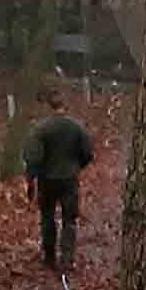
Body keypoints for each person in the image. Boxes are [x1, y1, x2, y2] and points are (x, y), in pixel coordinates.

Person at [23, 108, 94, 279]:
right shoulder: (77, 127)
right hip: (69, 179)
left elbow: (33, 157)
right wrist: (76, 167)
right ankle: (67, 259)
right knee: (69, 220)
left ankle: (49, 258)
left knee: (47, 218)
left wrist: (31, 178)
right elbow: (88, 153)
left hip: (47, 180)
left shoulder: (41, 129)